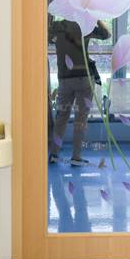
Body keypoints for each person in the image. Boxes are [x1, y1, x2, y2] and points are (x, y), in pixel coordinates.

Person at [49, 17, 109, 166]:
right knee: (81, 119)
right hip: (84, 77)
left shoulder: (57, 26)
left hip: (64, 78)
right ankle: (76, 157)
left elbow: (47, 38)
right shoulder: (85, 25)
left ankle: (54, 154)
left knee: (61, 117)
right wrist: (96, 17)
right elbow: (106, 34)